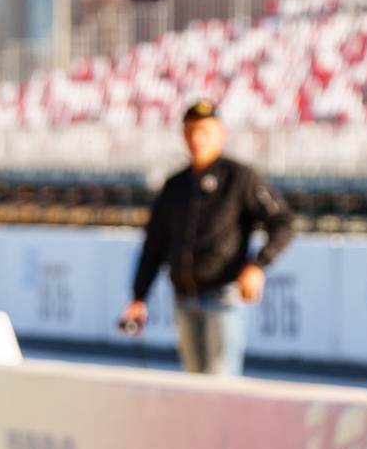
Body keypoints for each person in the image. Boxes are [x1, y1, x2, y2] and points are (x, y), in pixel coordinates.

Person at [119, 99, 297, 376]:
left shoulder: (240, 177)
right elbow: (154, 244)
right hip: (184, 298)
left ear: (221, 133)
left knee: (220, 382)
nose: (196, 138)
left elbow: (283, 222)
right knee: (194, 384)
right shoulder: (175, 185)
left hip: (224, 295)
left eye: (204, 130)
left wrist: (258, 265)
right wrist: (138, 296)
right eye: (190, 130)